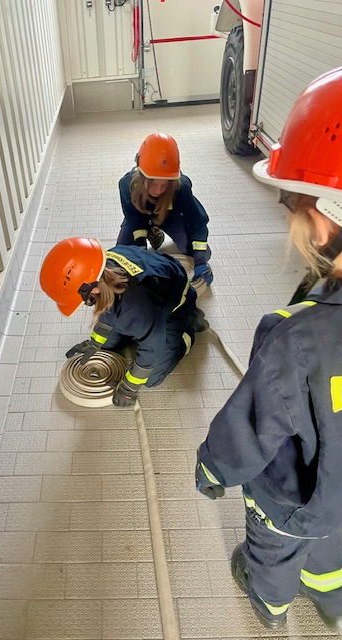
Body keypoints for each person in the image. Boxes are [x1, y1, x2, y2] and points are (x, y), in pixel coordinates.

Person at [195, 67, 342, 632]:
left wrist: (212, 468)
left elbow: (252, 426)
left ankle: (269, 604)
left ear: (324, 221)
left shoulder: (294, 338)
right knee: (332, 543)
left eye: (289, 203)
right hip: (337, 498)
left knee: (274, 550)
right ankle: (332, 601)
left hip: (289, 498)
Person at [39, 238, 206, 407]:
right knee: (107, 346)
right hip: (160, 277)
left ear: (93, 288)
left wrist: (129, 387)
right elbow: (106, 306)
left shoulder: (136, 307)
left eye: (85, 300)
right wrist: (94, 343)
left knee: (150, 378)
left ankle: (188, 326)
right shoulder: (99, 266)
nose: (85, 303)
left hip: (174, 305)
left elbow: (152, 346)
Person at [117, 132, 213, 287]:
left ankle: (155, 230)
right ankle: (151, 231)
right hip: (140, 218)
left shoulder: (181, 187)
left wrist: (200, 261)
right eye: (153, 184)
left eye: (164, 185)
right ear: (142, 177)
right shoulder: (127, 186)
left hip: (170, 218)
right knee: (122, 255)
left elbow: (198, 222)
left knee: (200, 252)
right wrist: (141, 257)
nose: (158, 190)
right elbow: (134, 221)